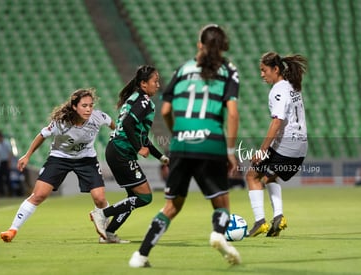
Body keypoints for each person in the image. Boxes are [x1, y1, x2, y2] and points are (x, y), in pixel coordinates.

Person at [129, 24, 241, 267]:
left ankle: (141, 255)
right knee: (221, 202)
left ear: (199, 44)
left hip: (181, 143)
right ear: (223, 47)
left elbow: (167, 109)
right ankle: (218, 234)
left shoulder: (183, 69)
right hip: (210, 142)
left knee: (172, 205)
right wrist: (231, 151)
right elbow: (232, 114)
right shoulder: (228, 70)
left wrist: (178, 133)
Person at [0, 88, 115, 242]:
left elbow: (114, 126)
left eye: (90, 105)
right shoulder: (61, 123)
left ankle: (104, 229)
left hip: (86, 159)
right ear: (74, 106)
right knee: (39, 195)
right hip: (60, 158)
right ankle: (13, 229)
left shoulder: (98, 117)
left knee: (100, 199)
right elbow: (41, 136)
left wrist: (118, 136)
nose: (88, 109)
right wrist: (27, 155)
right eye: (84, 106)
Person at [89, 65, 169, 244]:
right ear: (143, 83)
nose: (158, 85)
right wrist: (138, 148)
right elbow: (126, 124)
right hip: (121, 152)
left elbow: (141, 136)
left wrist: (161, 157)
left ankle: (109, 234)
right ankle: (101, 213)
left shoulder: (135, 99)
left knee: (132, 198)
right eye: (155, 81)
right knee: (145, 197)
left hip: (117, 150)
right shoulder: (144, 101)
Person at [246, 52, 308, 237]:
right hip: (301, 146)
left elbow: (276, 122)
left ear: (276, 69)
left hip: (287, 145)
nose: (262, 74)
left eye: (264, 70)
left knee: (252, 176)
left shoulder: (278, 90)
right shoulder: (292, 86)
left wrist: (262, 150)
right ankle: (278, 218)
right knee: (270, 177)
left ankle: (260, 222)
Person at [0, 131, 13, 196]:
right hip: (1, 163)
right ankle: (1, 192)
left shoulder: (6, 143)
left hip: (6, 162)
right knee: (0, 178)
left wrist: (9, 162)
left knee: (8, 178)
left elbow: (10, 153)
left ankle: (10, 192)